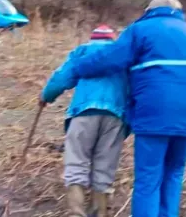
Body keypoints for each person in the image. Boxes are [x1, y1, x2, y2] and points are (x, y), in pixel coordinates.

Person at [69, 0, 186, 217]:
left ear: (149, 10)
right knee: (174, 174)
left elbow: (110, 58)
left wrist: (78, 67)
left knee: (149, 178)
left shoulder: (141, 29)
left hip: (156, 112)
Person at [39, 25, 130, 217]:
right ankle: (100, 212)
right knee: (105, 165)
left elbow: (61, 79)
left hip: (84, 113)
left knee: (76, 162)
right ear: (112, 39)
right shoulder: (124, 56)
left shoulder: (81, 52)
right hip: (115, 116)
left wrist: (46, 96)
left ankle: (76, 212)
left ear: (92, 39)